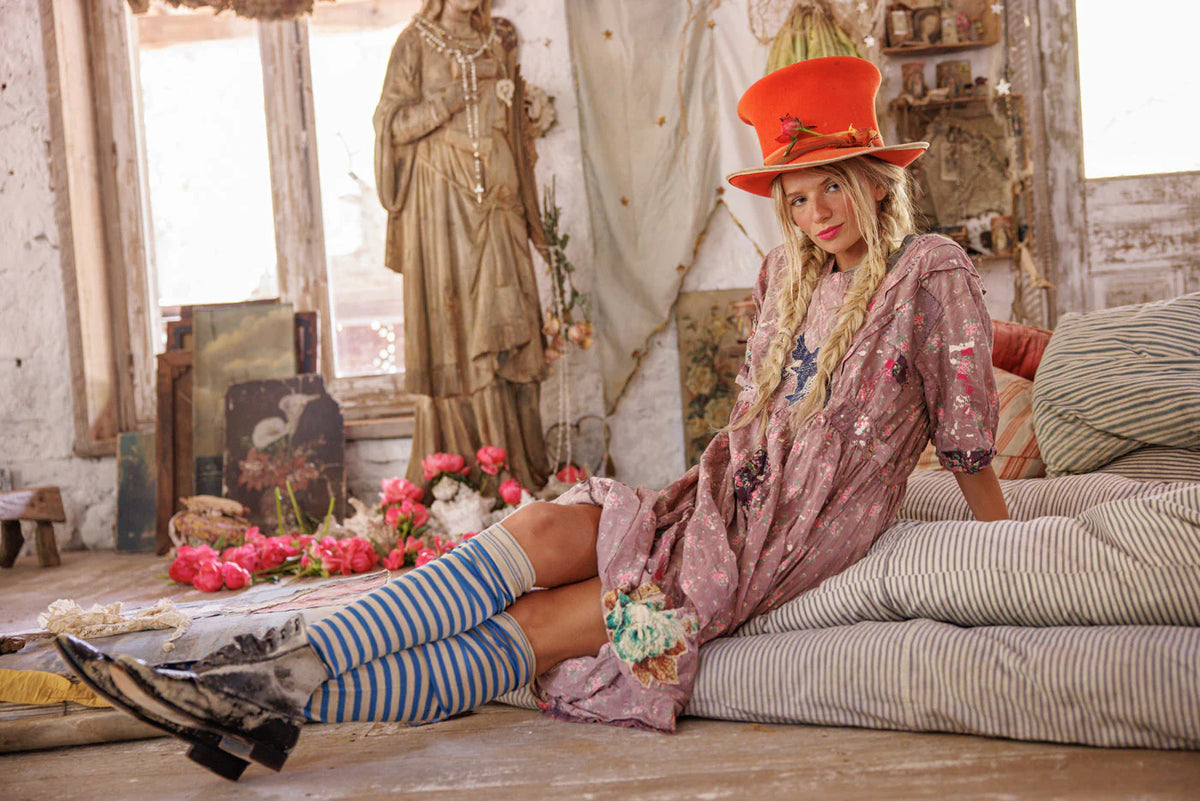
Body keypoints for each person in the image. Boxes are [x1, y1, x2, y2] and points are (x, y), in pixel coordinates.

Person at [56, 56, 1008, 780]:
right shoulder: (784, 280)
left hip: (787, 536)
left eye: (834, 182)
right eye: (797, 197)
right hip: (720, 500)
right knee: (547, 523)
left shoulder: (929, 270)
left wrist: (1003, 544)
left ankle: (261, 697)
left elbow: (966, 430)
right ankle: (260, 675)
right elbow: (750, 428)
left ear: (876, 178)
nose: (816, 212)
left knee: (544, 623)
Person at [374, 0, 550, 490]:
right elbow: (391, 125)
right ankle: (462, 468)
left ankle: (517, 463)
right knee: (456, 325)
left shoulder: (497, 39)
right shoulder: (415, 42)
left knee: (509, 323)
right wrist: (451, 99)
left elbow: (511, 124)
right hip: (442, 206)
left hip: (499, 199)